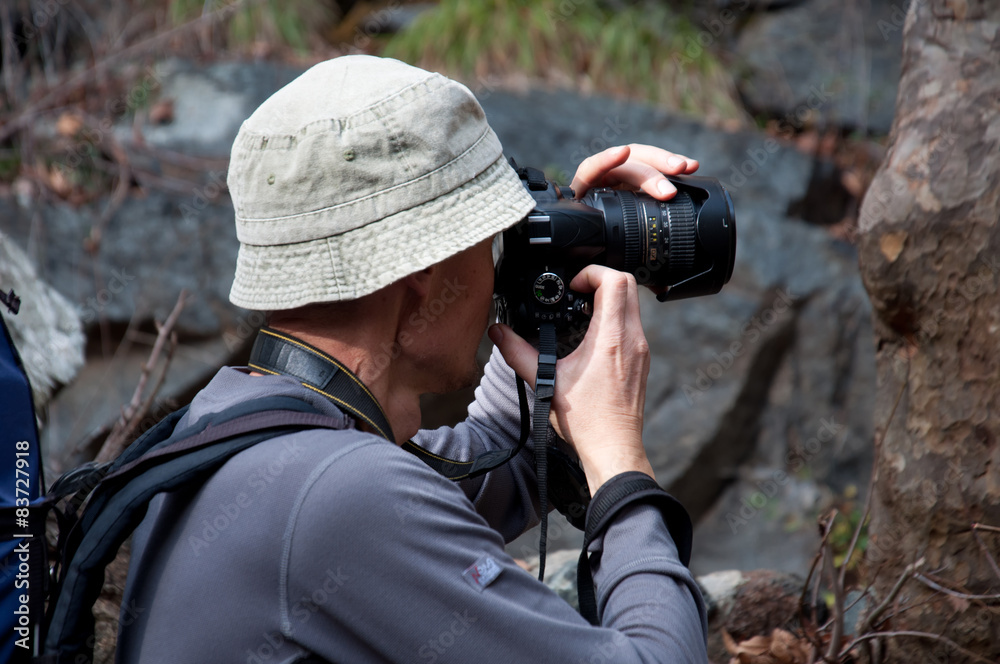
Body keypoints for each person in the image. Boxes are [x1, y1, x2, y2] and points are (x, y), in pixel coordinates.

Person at [118, 55, 708, 663]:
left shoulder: (238, 424)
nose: (497, 271)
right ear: (426, 271)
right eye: (491, 245)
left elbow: (489, 465)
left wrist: (562, 259)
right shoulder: (341, 497)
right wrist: (620, 462)